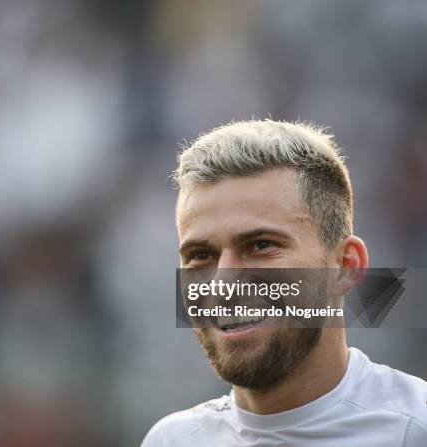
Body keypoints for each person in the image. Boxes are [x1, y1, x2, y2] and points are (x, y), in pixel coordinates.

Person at [142, 120, 427, 446]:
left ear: (346, 266)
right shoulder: (172, 440)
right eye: (201, 254)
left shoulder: (414, 429)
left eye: (261, 245)